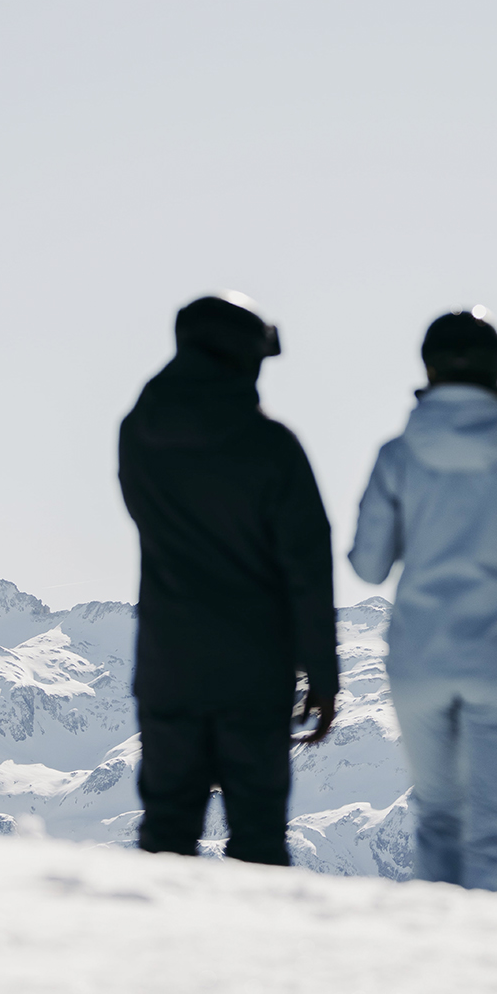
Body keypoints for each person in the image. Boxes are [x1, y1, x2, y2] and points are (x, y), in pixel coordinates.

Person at [348, 308, 497, 890]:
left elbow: (369, 566)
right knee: (494, 828)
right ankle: (490, 964)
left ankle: (439, 959)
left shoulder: (395, 456)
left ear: (428, 368)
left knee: (438, 818)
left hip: (419, 658)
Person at [117, 292, 339, 866]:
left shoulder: (137, 435)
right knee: (259, 838)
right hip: (253, 671)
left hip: (168, 664)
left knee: (166, 832)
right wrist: (322, 672)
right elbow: (308, 567)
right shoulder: (272, 447)